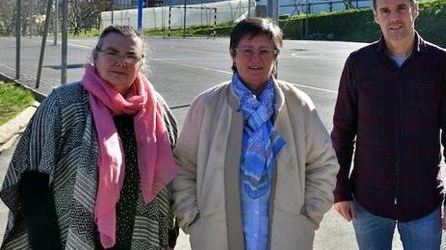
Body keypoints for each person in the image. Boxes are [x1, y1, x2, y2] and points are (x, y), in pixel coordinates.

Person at [0, 25, 178, 250]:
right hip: (68, 239)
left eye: (131, 55)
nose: (121, 61)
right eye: (112, 52)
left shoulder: (158, 110)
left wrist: (169, 234)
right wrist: (44, 243)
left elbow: (173, 179)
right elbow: (32, 178)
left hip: (140, 236)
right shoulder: (63, 103)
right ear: (95, 56)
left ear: (141, 63)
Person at [172, 17, 338, 250]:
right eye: (247, 50)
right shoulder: (207, 105)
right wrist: (194, 219)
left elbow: (324, 164)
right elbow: (182, 167)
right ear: (233, 53)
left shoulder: (298, 105)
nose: (255, 59)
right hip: (217, 239)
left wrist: (307, 216)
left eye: (264, 51)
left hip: (287, 239)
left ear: (276, 56)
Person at [331, 0, 446, 250]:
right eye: (385, 11)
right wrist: (340, 190)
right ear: (375, 16)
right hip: (368, 201)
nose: (394, 17)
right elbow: (342, 131)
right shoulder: (359, 63)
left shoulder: (439, 63)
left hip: (424, 202)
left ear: (415, 10)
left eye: (401, 8)